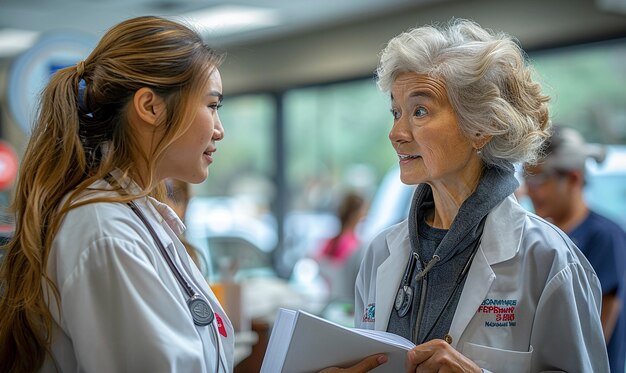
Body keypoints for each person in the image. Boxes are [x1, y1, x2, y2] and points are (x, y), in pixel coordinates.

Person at [0, 15, 386, 373]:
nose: (219, 130)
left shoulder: (133, 217)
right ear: (150, 106)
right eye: (212, 105)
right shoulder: (105, 230)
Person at [354, 19, 609, 372]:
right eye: (396, 112)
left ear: (481, 127)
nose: (396, 132)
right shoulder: (381, 252)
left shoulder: (548, 259)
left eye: (420, 111)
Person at [524, 126, 626, 373]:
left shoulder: (604, 237)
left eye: (540, 179)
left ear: (573, 178)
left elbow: (594, 335)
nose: (530, 190)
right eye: (527, 178)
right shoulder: (539, 236)